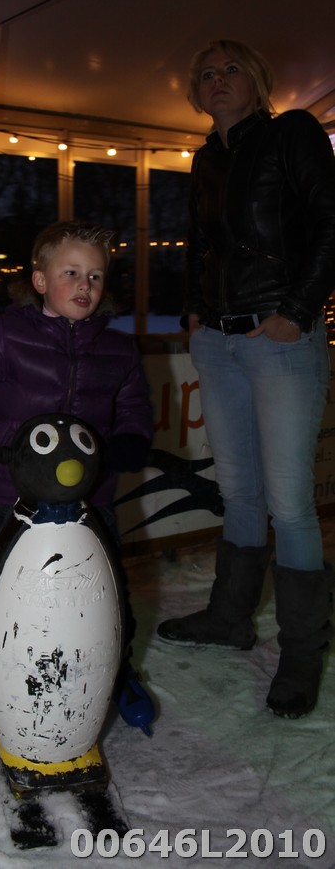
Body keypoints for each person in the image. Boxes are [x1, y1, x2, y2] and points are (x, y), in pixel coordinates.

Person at [157, 39, 335, 719]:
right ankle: (230, 619)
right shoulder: (205, 159)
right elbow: (199, 245)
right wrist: (193, 310)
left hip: (278, 335)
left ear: (257, 80)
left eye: (231, 68)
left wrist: (298, 310)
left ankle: (301, 652)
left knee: (288, 504)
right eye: (206, 73)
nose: (218, 79)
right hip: (218, 340)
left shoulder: (292, 134)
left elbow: (332, 222)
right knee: (238, 492)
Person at [0, 219, 155, 732]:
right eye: (71, 272)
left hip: (92, 496)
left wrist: (131, 436)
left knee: (107, 586)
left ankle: (119, 665)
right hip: (18, 494)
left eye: (95, 276)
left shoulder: (118, 350)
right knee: (2, 582)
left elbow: (134, 405)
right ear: (39, 280)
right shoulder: (8, 336)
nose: (84, 285)